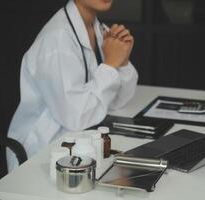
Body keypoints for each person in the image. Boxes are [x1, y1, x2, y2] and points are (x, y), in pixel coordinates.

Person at [7, 0, 138, 171]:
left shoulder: (98, 29)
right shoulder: (57, 40)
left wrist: (122, 61)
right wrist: (111, 65)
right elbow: (76, 118)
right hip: (43, 154)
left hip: (78, 146)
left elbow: (116, 101)